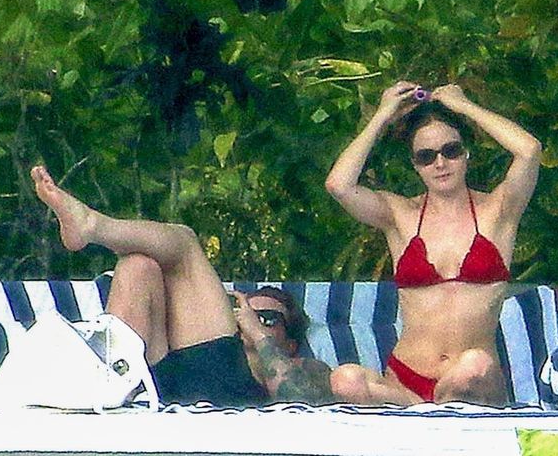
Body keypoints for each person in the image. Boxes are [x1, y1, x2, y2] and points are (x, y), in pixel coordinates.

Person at [30, 165, 333, 407]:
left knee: (186, 243)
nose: (247, 318)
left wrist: (257, 333)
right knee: (138, 266)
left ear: (291, 343)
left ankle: (92, 225)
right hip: (159, 388)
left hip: (230, 400)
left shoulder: (307, 368)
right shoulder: (220, 340)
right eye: (242, 309)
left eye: (267, 318)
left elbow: (303, 404)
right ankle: (105, 389)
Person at [325, 82, 541, 406]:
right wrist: (383, 115)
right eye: (427, 157)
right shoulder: (400, 215)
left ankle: (435, 410)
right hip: (406, 382)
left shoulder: (498, 210)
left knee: (474, 364)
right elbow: (339, 185)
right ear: (415, 164)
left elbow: (530, 150)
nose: (440, 164)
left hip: (473, 383)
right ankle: (426, 410)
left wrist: (464, 106)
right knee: (345, 380)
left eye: (450, 151)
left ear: (466, 153)